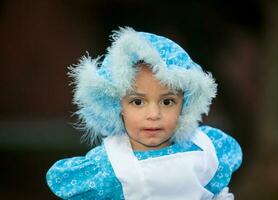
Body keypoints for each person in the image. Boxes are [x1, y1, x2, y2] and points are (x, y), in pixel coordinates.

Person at [46, 27, 242, 200]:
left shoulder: (206, 148)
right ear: (116, 106)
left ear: (185, 105)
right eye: (137, 102)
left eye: (167, 101)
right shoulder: (109, 166)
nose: (154, 114)